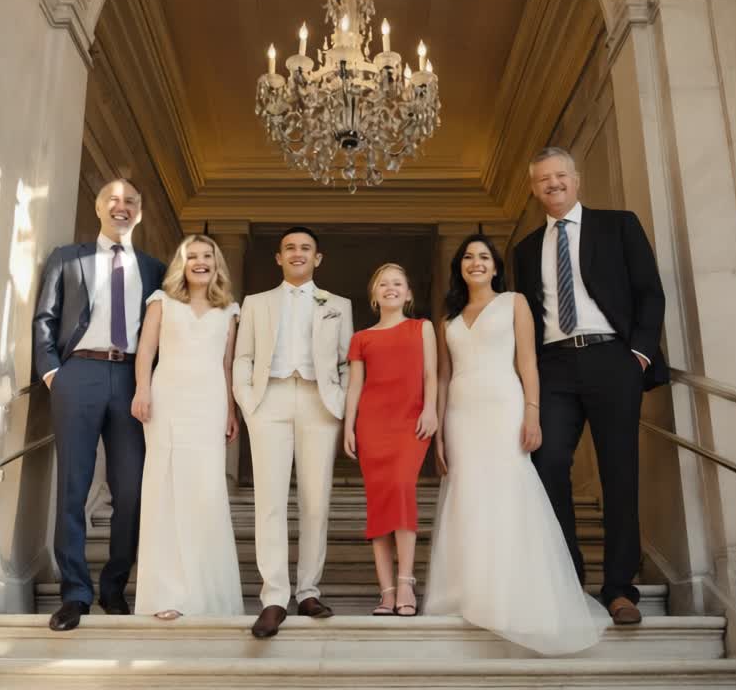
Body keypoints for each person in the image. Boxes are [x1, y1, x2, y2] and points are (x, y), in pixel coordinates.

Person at [424, 235, 602, 655]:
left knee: (507, 493)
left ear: (496, 266)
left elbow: (527, 362)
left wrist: (533, 412)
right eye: (468, 257)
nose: (475, 262)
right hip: (460, 413)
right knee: (467, 497)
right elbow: (445, 376)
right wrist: (438, 431)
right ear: (459, 268)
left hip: (504, 403)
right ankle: (467, 592)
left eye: (484, 256)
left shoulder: (515, 303)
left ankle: (511, 594)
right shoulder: (447, 319)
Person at [512, 146, 667, 625]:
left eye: (560, 175)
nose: (552, 184)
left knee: (619, 472)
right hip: (554, 366)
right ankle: (568, 580)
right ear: (534, 189)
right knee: (549, 461)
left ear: (576, 180)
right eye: (543, 179)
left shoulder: (619, 226)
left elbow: (649, 292)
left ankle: (620, 588)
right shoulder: (524, 248)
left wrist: (637, 355)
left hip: (612, 358)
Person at [31, 179, 166, 631]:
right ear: (98, 208)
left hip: (132, 378)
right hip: (79, 374)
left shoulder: (155, 269)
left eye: (130, 200)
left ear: (140, 212)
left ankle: (114, 588)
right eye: (113, 200)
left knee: (130, 491)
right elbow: (45, 318)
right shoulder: (67, 258)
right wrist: (53, 373)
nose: (121, 206)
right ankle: (74, 593)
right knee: (73, 485)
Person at [233, 227, 354, 638]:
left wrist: (338, 402)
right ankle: (273, 597)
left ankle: (308, 590)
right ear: (279, 258)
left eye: (305, 248)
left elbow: (347, 361)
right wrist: (250, 404)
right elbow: (243, 357)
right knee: (269, 501)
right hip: (270, 400)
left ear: (317, 258)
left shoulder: (338, 305)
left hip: (320, 404)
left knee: (316, 501)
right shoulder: (256, 303)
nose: (297, 253)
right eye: (290, 248)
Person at [130, 235, 244, 619]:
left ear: (217, 263)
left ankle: (206, 595)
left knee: (207, 492)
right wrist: (142, 390)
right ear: (181, 263)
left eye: (207, 256)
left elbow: (227, 365)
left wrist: (230, 411)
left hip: (209, 403)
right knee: (165, 490)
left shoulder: (229, 309)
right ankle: (167, 594)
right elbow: (146, 350)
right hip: (167, 401)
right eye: (191, 256)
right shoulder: (162, 302)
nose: (199, 262)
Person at [342, 263, 438, 617]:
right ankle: (386, 592)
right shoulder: (361, 338)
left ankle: (406, 583)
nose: (391, 288)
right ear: (374, 294)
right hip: (372, 425)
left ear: (408, 293)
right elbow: (355, 386)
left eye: (398, 282)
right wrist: (349, 427)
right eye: (383, 283)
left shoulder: (422, 327)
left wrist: (431, 409)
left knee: (401, 491)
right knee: (379, 505)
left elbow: (431, 372)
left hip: (411, 422)